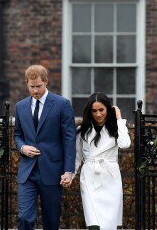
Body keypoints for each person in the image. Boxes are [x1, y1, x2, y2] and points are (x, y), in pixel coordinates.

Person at [14, 64, 76, 230]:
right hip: (27, 172)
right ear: (27, 83)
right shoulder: (20, 107)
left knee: (51, 219)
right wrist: (22, 148)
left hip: (52, 170)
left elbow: (69, 139)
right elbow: (17, 135)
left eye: (39, 86)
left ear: (46, 82)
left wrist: (69, 170)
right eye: (32, 87)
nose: (35, 91)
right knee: (24, 217)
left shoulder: (62, 104)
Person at [74, 92, 131, 230]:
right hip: (90, 177)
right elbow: (76, 157)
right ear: (89, 111)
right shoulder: (82, 130)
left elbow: (125, 144)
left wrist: (119, 118)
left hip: (111, 177)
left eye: (101, 110)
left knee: (110, 222)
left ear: (108, 109)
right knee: (93, 221)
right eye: (94, 111)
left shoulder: (116, 127)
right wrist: (70, 175)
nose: (98, 114)